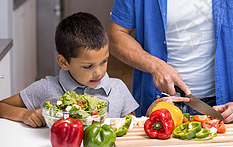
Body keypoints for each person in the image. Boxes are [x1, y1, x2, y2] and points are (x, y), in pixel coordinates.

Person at [0, 12, 139, 127]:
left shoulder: (118, 88)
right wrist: (24, 114)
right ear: (63, 62)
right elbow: (2, 106)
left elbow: (130, 127)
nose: (99, 72)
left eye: (104, 61)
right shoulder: (46, 88)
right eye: (88, 66)